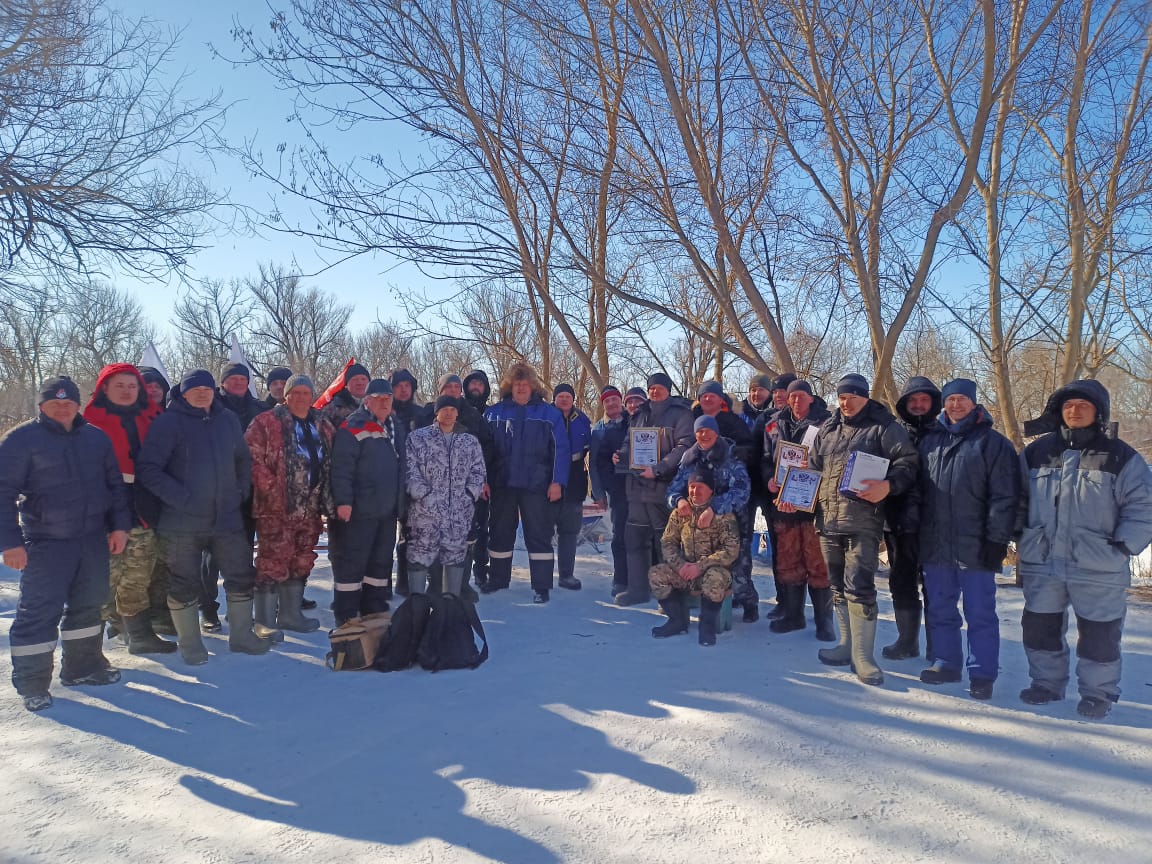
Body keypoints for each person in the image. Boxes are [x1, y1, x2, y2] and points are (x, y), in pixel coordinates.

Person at [1017, 379, 1152, 719]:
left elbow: (1143, 507)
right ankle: (1046, 684)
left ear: (1099, 412)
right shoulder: (1036, 452)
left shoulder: (1121, 456)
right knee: (1039, 628)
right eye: (1068, 406)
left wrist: (1123, 546)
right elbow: (1014, 498)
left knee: (1099, 635)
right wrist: (1019, 534)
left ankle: (1098, 693)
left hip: (1098, 563)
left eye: (1083, 405)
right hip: (1042, 559)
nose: (1074, 411)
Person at [0, 376, 132, 711]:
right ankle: (32, 684)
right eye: (54, 402)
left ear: (78, 404)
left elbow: (115, 486)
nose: (62, 407)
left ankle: (82, 668)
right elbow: (2, 493)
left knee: (88, 606)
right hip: (46, 543)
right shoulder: (21, 440)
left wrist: (120, 527)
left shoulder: (96, 439)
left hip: (91, 540)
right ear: (42, 406)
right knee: (39, 613)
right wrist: (9, 543)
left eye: (68, 402)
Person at [136, 369, 272, 664]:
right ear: (183, 393)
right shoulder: (168, 423)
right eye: (194, 389)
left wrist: (239, 491)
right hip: (181, 522)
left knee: (240, 575)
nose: (201, 393)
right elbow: (149, 469)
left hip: (226, 518)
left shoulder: (228, 420)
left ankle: (241, 636)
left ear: (214, 391)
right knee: (184, 581)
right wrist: (182, 498)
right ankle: (191, 643)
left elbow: (242, 460)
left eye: (206, 389)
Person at [808, 373, 918, 686]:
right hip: (827, 520)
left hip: (863, 522)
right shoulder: (828, 428)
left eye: (853, 397)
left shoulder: (884, 427)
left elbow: (907, 462)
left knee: (859, 584)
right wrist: (797, 491)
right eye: (842, 397)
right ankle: (846, 645)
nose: (846, 402)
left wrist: (888, 485)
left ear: (865, 397)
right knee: (836, 583)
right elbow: (814, 466)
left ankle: (863, 656)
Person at [916, 379, 1020, 700]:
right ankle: (946, 662)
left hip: (977, 544)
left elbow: (1005, 496)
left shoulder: (993, 444)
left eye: (962, 399)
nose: (956, 405)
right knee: (941, 608)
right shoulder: (930, 442)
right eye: (951, 400)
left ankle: (982, 673)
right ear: (943, 404)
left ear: (974, 403)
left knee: (980, 613)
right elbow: (916, 491)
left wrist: (997, 540)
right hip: (935, 543)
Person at [81, 363, 174, 654]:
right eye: (119, 385)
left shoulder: (155, 417)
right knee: (107, 574)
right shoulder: (88, 423)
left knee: (138, 569)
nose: (126, 391)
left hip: (146, 502)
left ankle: (139, 633)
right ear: (104, 388)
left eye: (132, 386)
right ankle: (107, 629)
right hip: (103, 505)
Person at [245, 373, 333, 635]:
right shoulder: (266, 422)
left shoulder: (323, 424)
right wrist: (272, 489)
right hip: (276, 508)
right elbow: (251, 458)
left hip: (311, 507)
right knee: (272, 562)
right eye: (296, 393)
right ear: (286, 395)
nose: (301, 398)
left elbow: (334, 459)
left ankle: (290, 615)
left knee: (301, 560)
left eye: (306, 393)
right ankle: (264, 622)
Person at [482, 362, 569, 603]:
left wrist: (557, 482)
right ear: (510, 387)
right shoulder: (493, 413)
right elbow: (483, 452)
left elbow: (561, 451)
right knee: (500, 532)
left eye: (525, 384)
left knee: (538, 534)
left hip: (537, 485)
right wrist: (482, 480)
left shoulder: (548, 414)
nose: (521, 388)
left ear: (533, 387)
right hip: (503, 484)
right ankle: (498, 580)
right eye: (516, 384)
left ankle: (541, 586)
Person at [329, 379, 408, 625]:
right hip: (360, 509)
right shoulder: (353, 426)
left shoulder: (396, 426)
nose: (384, 403)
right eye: (379, 399)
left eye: (388, 399)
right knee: (353, 561)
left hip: (387, 509)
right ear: (368, 401)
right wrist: (343, 501)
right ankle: (347, 612)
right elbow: (342, 468)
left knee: (381, 561)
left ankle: (373, 606)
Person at [761, 379, 834, 639]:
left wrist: (812, 473)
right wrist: (769, 477)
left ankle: (824, 621)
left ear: (811, 398)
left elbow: (832, 460)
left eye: (800, 395)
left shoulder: (827, 424)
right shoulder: (774, 423)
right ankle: (793, 616)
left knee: (817, 562)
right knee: (788, 559)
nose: (795, 400)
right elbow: (766, 458)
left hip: (814, 503)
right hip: (784, 503)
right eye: (791, 396)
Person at [613, 372, 694, 606]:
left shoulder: (680, 414)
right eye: (651, 388)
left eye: (659, 387)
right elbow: (630, 443)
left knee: (666, 543)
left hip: (663, 489)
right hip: (636, 489)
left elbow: (685, 447)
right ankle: (638, 589)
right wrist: (621, 456)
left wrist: (658, 468)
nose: (654, 391)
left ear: (668, 389)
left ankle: (668, 595)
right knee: (634, 539)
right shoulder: (639, 414)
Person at [882, 376, 941, 660]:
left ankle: (937, 643)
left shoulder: (943, 434)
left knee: (934, 586)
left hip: (934, 521)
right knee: (901, 581)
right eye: (913, 401)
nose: (918, 405)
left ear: (933, 403)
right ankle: (907, 640)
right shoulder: (892, 433)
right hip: (897, 519)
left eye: (924, 400)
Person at [666, 416, 750, 611]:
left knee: (738, 565)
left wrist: (715, 508)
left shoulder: (731, 456)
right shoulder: (689, 457)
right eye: (699, 431)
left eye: (707, 430)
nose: (703, 435)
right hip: (695, 524)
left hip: (728, 519)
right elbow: (673, 489)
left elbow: (742, 491)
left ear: (716, 432)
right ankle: (692, 598)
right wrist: (678, 501)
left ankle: (747, 602)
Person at [649, 466, 739, 646]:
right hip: (686, 570)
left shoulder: (723, 515)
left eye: (700, 487)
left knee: (714, 579)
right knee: (656, 574)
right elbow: (668, 542)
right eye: (692, 486)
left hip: (714, 571)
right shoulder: (680, 512)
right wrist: (680, 565)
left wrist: (700, 566)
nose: (695, 491)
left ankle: (707, 626)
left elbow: (731, 550)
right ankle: (677, 620)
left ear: (710, 490)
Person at [405, 395, 487, 595]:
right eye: (444, 409)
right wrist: (424, 495)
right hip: (425, 512)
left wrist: (469, 494)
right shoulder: (418, 438)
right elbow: (409, 470)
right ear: (436, 412)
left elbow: (478, 472)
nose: (448, 413)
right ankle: (417, 603)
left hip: (458, 513)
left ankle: (451, 604)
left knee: (455, 554)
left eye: (452, 409)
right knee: (420, 555)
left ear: (457, 412)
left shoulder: (469, 441)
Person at [693, 380, 758, 620]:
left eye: (712, 395)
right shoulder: (695, 420)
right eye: (704, 396)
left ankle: (746, 598)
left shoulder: (734, 423)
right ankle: (712, 596)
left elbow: (751, 450)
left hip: (733, 498)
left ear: (721, 399)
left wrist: (740, 453)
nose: (707, 399)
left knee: (738, 552)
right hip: (703, 498)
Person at [590, 385, 630, 596]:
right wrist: (598, 493)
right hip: (615, 490)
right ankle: (621, 579)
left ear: (620, 401)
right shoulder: (598, 430)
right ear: (603, 405)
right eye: (607, 401)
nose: (612, 404)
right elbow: (594, 463)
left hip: (640, 487)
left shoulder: (633, 421)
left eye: (615, 399)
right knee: (620, 536)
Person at [552, 383, 591, 591]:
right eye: (561, 396)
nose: (564, 399)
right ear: (555, 398)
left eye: (568, 396)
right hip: (548, 477)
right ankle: (541, 575)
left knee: (569, 531)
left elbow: (588, 449)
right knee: (541, 531)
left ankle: (566, 575)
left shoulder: (582, 419)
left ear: (573, 399)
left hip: (575, 477)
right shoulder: (546, 415)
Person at [390, 367, 423, 595]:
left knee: (410, 535)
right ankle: (379, 585)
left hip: (414, 481)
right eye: (398, 386)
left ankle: (407, 581)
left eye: (407, 386)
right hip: (386, 482)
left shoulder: (421, 415)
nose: (403, 390)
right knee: (382, 538)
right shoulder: (384, 413)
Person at [463, 369, 495, 590]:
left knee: (482, 528)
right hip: (456, 482)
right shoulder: (456, 410)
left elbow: (491, 448)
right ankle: (458, 574)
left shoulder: (492, 414)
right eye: (472, 383)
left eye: (480, 384)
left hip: (483, 480)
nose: (476, 387)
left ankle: (481, 571)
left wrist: (485, 478)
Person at [315, 361, 372, 429]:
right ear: (346, 385)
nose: (360, 383)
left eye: (363, 379)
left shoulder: (379, 406)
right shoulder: (333, 409)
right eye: (355, 379)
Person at [216, 361, 268, 431]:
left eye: (242, 379)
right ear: (223, 382)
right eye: (233, 379)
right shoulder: (212, 405)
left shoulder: (259, 408)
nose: (238, 383)